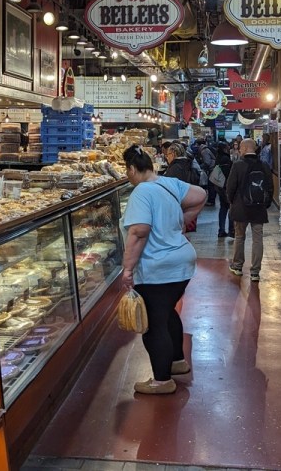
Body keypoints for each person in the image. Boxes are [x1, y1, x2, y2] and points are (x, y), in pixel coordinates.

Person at [120, 144, 207, 395]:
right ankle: (177, 362)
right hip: (182, 260)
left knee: (154, 324)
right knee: (167, 313)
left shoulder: (141, 191)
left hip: (158, 266)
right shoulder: (168, 183)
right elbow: (201, 194)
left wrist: (128, 269)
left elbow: (139, 232)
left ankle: (162, 381)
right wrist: (179, 222)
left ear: (132, 169)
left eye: (127, 170)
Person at [226, 138, 273, 282]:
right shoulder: (264, 165)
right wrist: (266, 204)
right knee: (257, 239)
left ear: (245, 148)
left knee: (240, 237)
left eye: (240, 148)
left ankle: (237, 266)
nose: (239, 150)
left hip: (241, 207)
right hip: (258, 208)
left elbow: (230, 187)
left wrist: (232, 202)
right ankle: (255, 272)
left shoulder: (238, 165)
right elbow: (270, 187)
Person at [213, 141, 234, 238]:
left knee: (223, 208)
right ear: (225, 148)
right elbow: (227, 174)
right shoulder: (225, 159)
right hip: (225, 187)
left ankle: (221, 230)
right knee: (230, 208)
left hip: (219, 186)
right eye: (227, 146)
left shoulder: (218, 157)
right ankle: (231, 230)